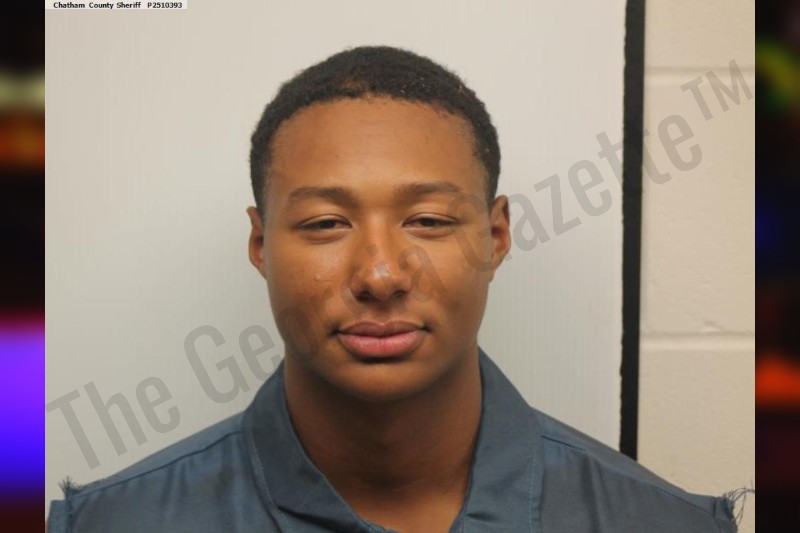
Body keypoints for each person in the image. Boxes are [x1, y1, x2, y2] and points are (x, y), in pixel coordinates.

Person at [47, 45, 739, 532]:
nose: (379, 275)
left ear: (496, 236)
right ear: (260, 245)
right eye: (326, 223)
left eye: (429, 220)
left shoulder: (657, 522)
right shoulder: (115, 522)